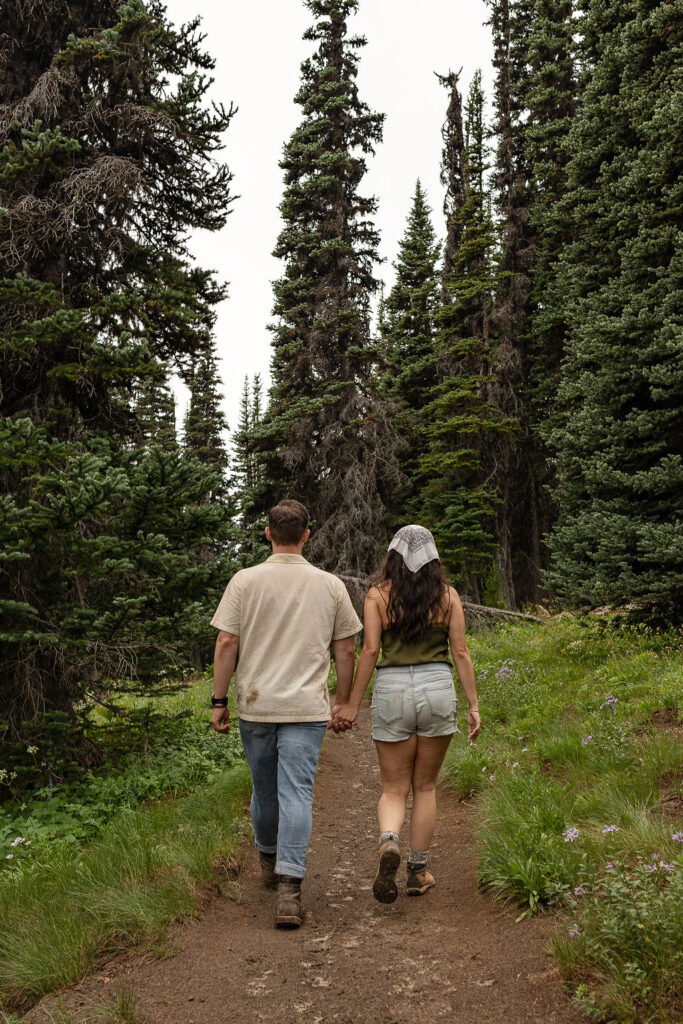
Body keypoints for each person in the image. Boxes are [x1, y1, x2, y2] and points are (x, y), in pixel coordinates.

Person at [210, 499, 361, 928]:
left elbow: (225, 643)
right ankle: (290, 890)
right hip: (306, 706)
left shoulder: (244, 581)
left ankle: (268, 857)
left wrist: (220, 702)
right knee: (297, 793)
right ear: (307, 535)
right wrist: (342, 699)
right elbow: (346, 647)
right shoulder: (330, 585)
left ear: (268, 533)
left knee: (264, 790)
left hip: (257, 705)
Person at [331, 525, 481, 904]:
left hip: (393, 688)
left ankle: (388, 843)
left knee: (393, 788)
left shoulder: (377, 595)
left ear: (392, 556)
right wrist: (473, 705)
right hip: (436, 687)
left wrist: (349, 703)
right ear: (433, 558)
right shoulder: (448, 596)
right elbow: (460, 652)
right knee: (425, 787)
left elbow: (369, 651)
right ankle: (417, 872)